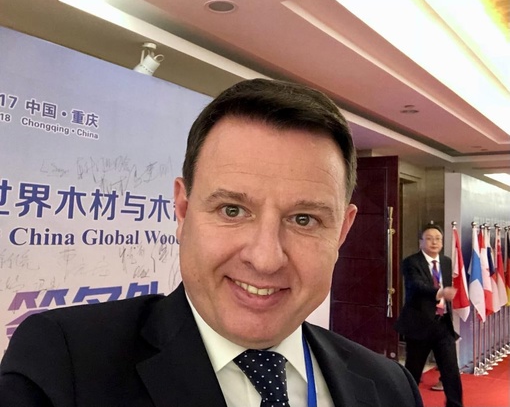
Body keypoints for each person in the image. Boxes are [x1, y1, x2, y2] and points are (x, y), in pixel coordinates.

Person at [0, 78, 423, 407]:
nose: (265, 258)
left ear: (342, 232)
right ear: (183, 211)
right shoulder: (63, 364)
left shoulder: (391, 388)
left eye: (304, 219)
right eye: (232, 210)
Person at [394, 223, 463, 407]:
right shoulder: (411, 262)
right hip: (419, 325)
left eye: (438, 239)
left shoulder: (446, 262)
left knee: (451, 370)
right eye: (430, 239)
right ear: (421, 242)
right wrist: (440, 293)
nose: (434, 242)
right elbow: (417, 286)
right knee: (413, 372)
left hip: (442, 324)